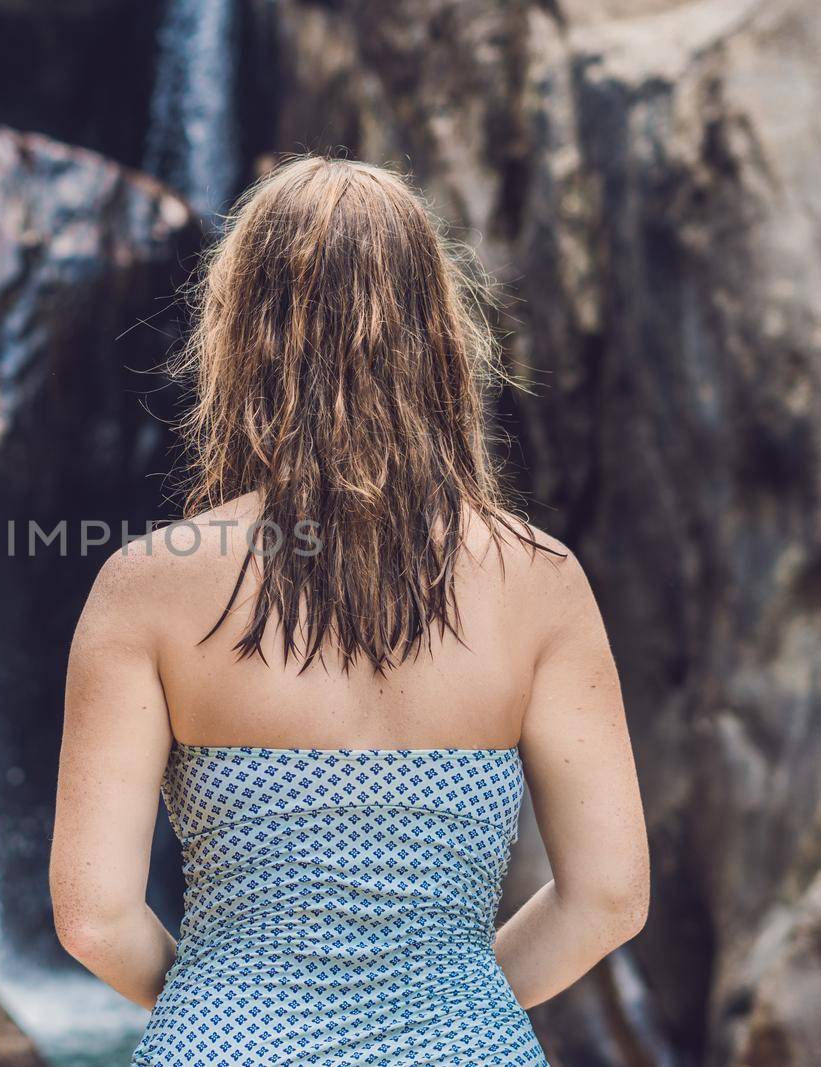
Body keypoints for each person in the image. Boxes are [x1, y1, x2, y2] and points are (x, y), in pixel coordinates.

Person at [48, 156, 650, 1065]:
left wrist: (226, 1006)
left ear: (235, 335)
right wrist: (456, 1004)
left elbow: (95, 918)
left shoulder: (147, 587)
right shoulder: (542, 582)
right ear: (439, 331)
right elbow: (609, 896)